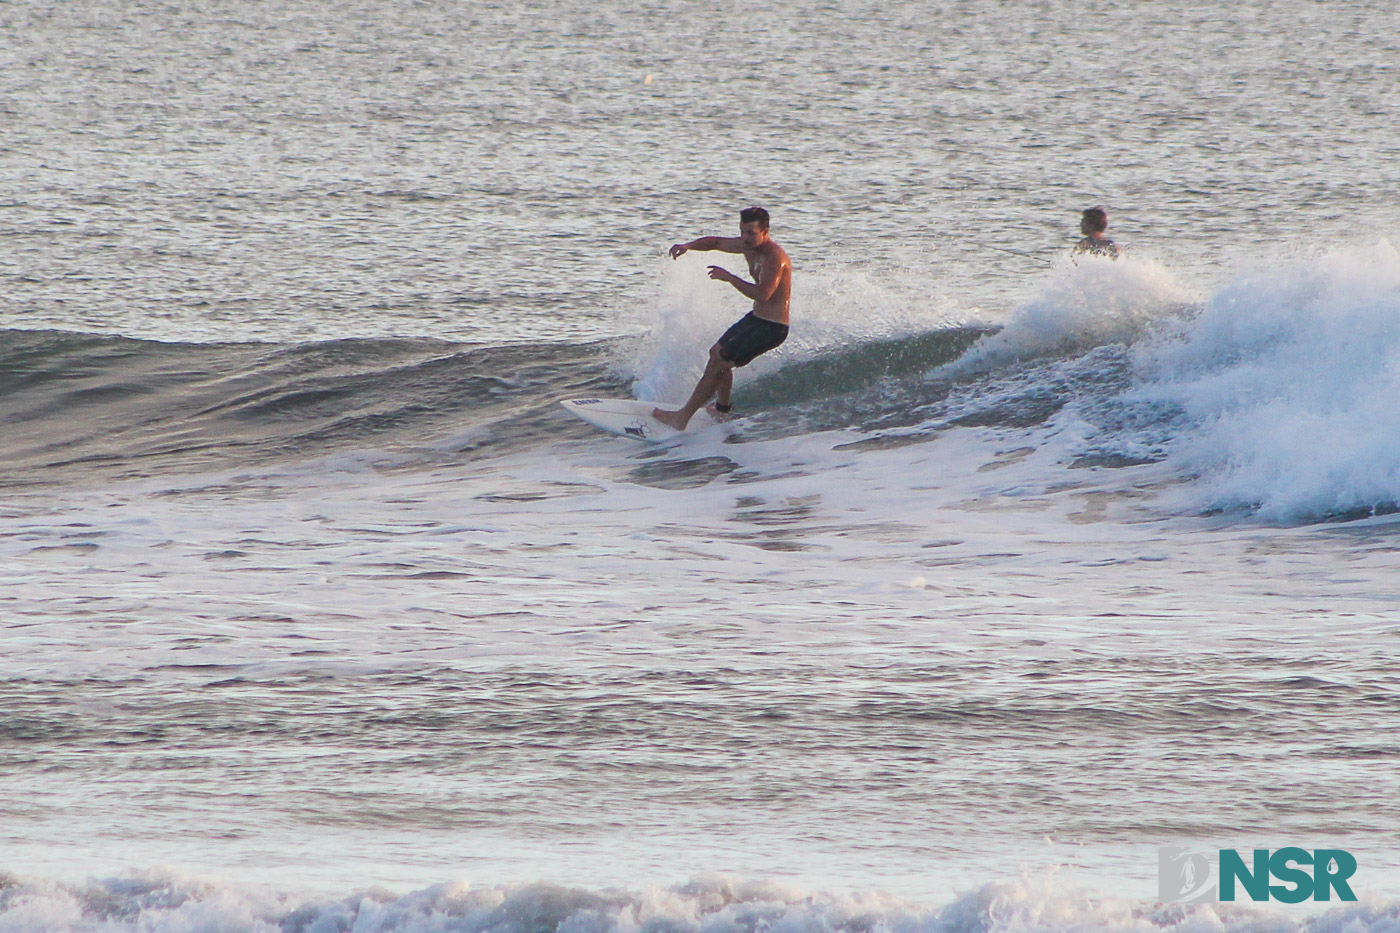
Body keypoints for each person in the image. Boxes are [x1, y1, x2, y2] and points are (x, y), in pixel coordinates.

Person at [652, 206, 792, 430]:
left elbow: (763, 294)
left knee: (718, 363)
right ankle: (722, 410)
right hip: (756, 318)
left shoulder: (774, 257)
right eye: (742, 231)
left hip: (771, 328)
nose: (745, 238)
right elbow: (716, 242)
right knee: (716, 353)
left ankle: (681, 418)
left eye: (751, 233)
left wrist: (729, 277)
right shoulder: (748, 246)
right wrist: (688, 246)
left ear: (765, 231)